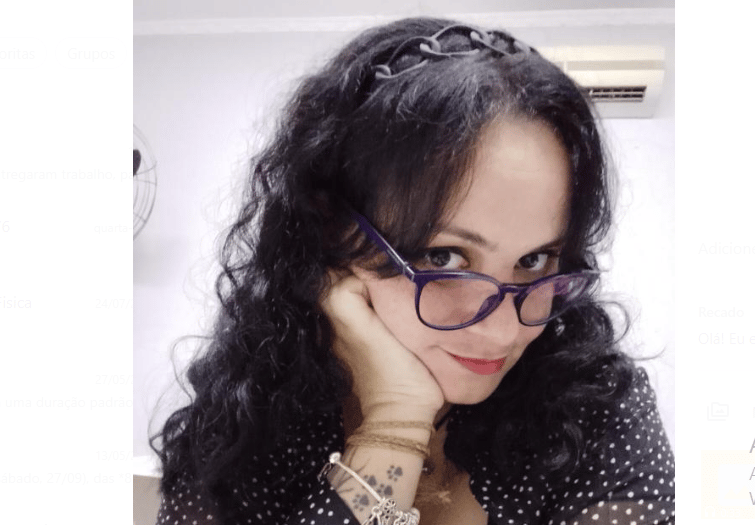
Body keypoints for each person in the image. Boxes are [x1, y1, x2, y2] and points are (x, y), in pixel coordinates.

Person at [152, 17, 675, 525]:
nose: (502, 331)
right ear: (332, 234)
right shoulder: (246, 422)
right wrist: (394, 422)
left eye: (534, 260)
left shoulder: (597, 408)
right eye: (443, 258)